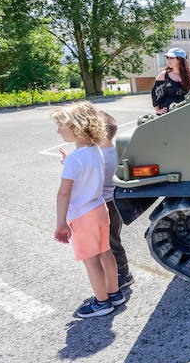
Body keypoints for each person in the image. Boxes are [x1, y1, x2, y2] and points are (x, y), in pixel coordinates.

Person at [52, 101, 126, 318]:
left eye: (61, 126)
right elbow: (86, 170)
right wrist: (70, 161)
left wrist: (61, 223)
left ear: (76, 127)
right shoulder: (95, 150)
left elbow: (64, 193)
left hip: (83, 215)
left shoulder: (75, 159)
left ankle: (101, 303)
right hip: (99, 209)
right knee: (106, 253)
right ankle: (114, 294)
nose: (58, 130)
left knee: (91, 260)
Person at [98, 111, 134, 289]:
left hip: (106, 203)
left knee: (111, 241)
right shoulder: (117, 151)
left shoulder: (100, 157)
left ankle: (124, 273)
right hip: (116, 201)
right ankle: (117, 272)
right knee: (113, 238)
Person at [152, 48, 190, 115]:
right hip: (168, 113)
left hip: (186, 113)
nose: (168, 60)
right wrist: (157, 110)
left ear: (180, 59)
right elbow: (155, 93)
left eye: (171, 58)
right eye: (167, 57)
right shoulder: (164, 75)